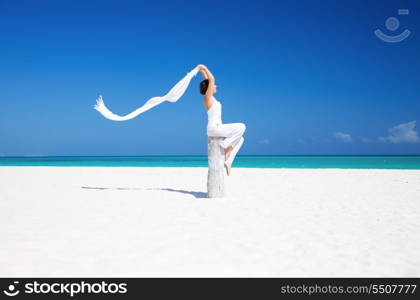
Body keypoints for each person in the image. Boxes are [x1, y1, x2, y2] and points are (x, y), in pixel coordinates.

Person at [197, 64, 246, 176]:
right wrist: (204, 67)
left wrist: (202, 71)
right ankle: (225, 146)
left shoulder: (211, 98)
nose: (216, 86)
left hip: (218, 128)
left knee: (241, 139)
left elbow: (207, 80)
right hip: (214, 128)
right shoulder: (207, 98)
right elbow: (211, 80)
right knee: (242, 126)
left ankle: (228, 161)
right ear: (209, 88)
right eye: (213, 86)